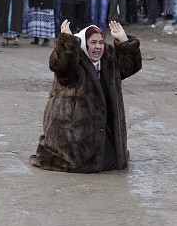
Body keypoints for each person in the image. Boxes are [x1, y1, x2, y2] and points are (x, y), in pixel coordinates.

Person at [29, 20, 142, 173]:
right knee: (86, 163)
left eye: (101, 42)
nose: (98, 47)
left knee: (112, 161)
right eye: (93, 42)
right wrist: (67, 42)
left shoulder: (108, 60)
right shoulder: (74, 61)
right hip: (72, 137)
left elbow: (131, 66)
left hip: (101, 132)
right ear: (84, 43)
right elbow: (60, 65)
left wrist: (123, 40)